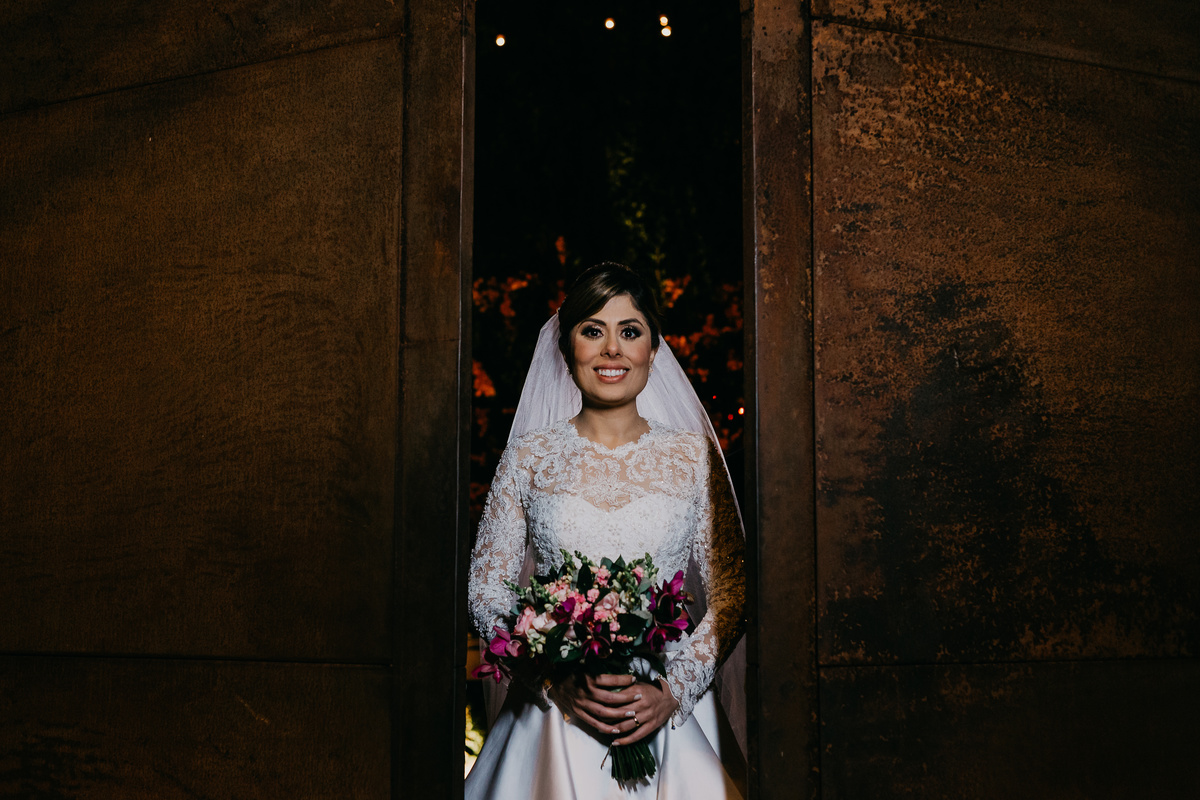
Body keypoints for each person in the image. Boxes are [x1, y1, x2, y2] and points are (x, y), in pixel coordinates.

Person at [466, 263, 747, 799]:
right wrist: (552, 679)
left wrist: (673, 690)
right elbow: (485, 589)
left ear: (653, 349)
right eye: (593, 330)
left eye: (630, 331)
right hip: (557, 715)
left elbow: (732, 593)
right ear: (568, 349)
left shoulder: (693, 460)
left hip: (666, 713)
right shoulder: (529, 457)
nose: (612, 349)